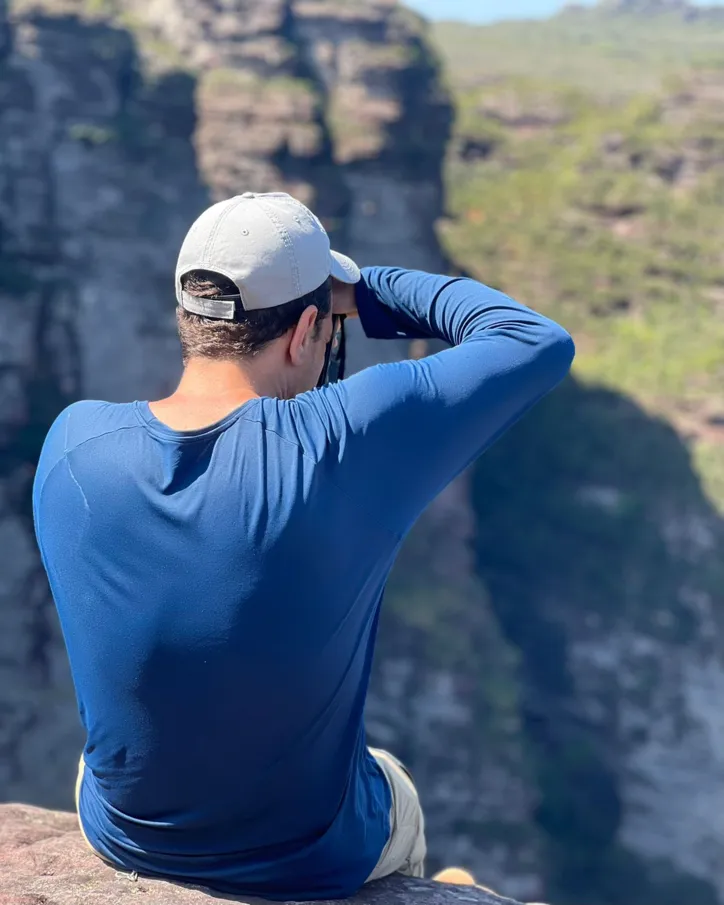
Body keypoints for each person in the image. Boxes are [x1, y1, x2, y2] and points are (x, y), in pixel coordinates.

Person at [33, 191, 574, 901]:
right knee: (395, 784)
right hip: (308, 856)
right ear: (307, 330)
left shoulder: (74, 443)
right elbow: (534, 340)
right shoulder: (341, 442)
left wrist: (323, 300)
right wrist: (363, 291)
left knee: (96, 760)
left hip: (129, 831)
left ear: (186, 319)